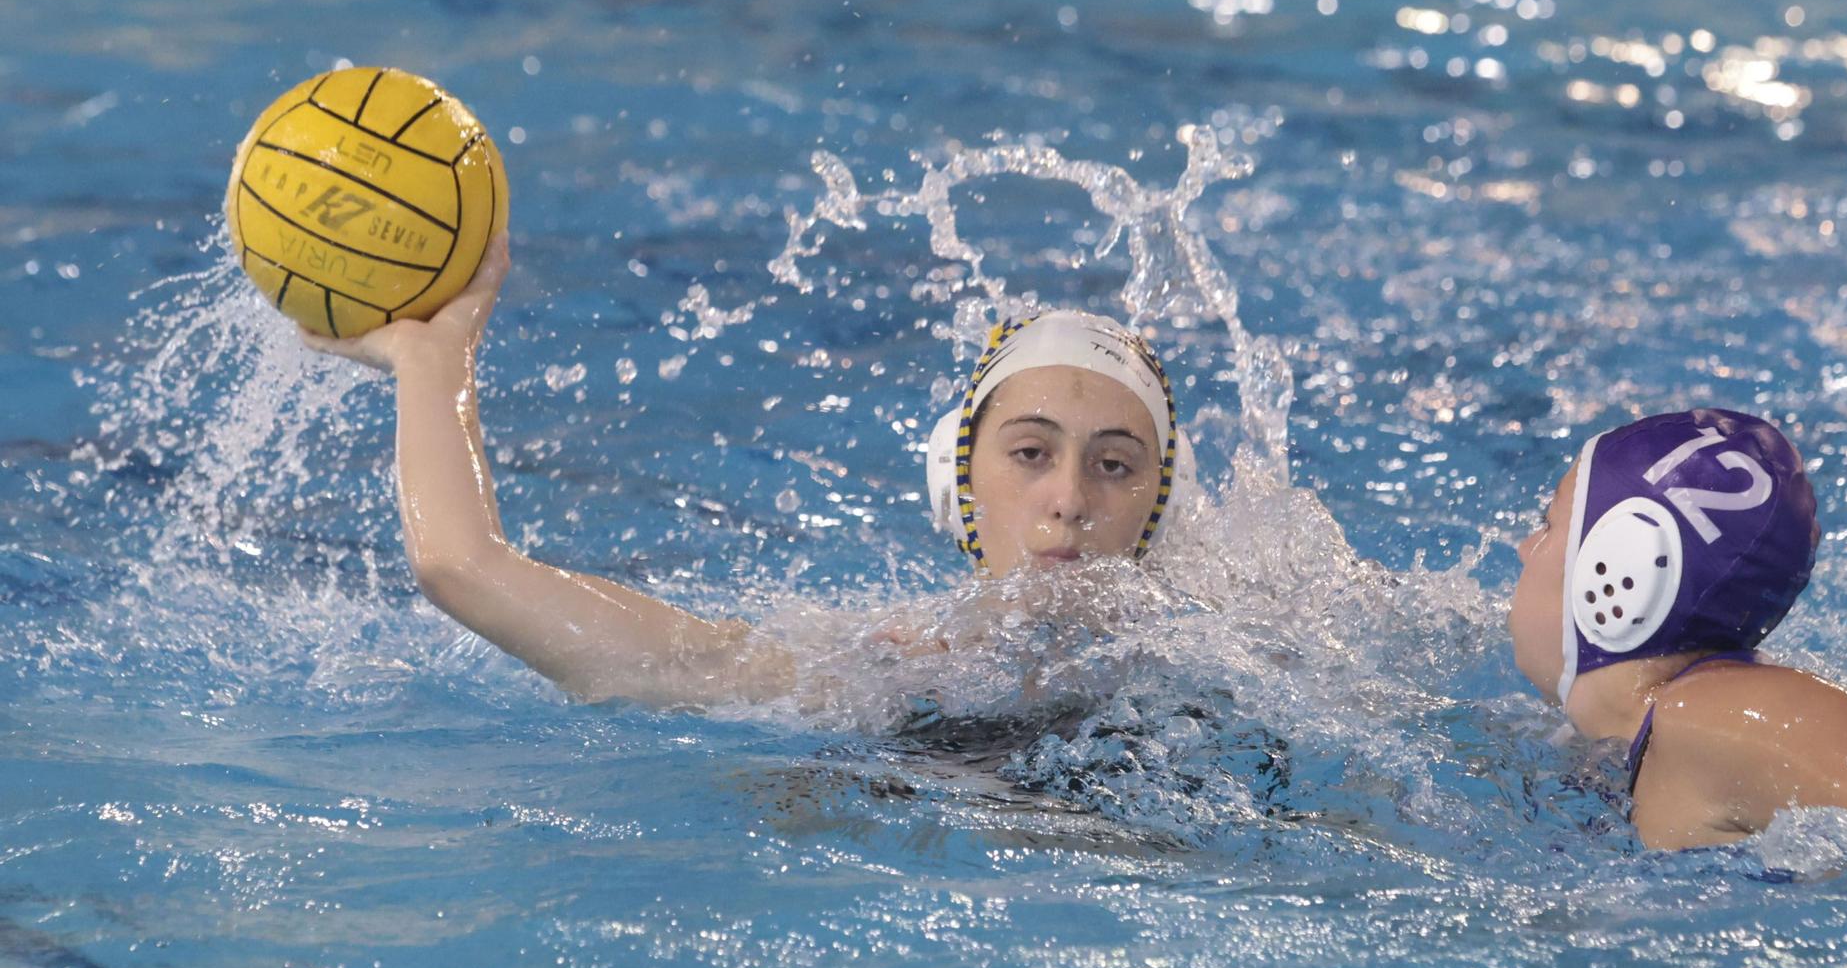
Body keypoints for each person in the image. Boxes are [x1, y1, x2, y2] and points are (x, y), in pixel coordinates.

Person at [301, 232, 1193, 706]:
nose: (1069, 500)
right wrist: (435, 364)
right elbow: (465, 568)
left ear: (1159, 507)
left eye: (1115, 466)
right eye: (1030, 454)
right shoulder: (875, 673)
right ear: (958, 482)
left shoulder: (1248, 661)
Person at [1509, 407, 1847, 849]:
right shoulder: (1597, 745)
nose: (1525, 548)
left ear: (1621, 565)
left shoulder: (1717, 715)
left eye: (1549, 524)